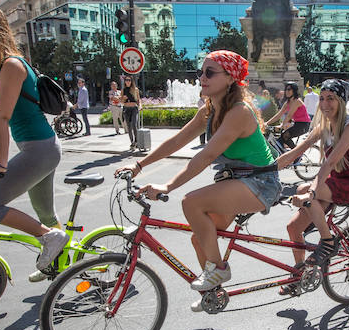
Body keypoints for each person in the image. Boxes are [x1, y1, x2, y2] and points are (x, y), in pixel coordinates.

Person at [116, 51, 280, 308]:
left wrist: (167, 185)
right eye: (200, 72)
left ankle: (218, 269)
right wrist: (139, 164)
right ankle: (213, 293)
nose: (202, 78)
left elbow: (206, 155)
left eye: (210, 73)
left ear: (230, 78)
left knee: (191, 203)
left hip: (260, 183)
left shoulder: (239, 112)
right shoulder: (210, 109)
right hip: (235, 180)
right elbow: (177, 140)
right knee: (200, 237)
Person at [0, 2, 66, 276]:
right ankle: (61, 265)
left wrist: (2, 163)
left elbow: (2, 119)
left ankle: (51, 239)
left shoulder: (11, 65)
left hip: (40, 150)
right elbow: (2, 113)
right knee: (45, 213)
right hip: (40, 148)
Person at [278, 79, 349, 288]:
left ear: (340, 101)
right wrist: (265, 171)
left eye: (331, 99)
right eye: (321, 98)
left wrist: (312, 193)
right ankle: (301, 275)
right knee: (293, 228)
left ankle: (328, 242)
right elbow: (296, 151)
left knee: (307, 192)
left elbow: (330, 162)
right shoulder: (323, 126)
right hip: (335, 181)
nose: (325, 103)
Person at [266, 81, 311, 150]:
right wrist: (266, 123)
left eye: (289, 89)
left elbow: (289, 116)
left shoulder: (297, 101)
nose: (287, 91)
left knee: (285, 136)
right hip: (296, 124)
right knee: (281, 139)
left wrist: (282, 126)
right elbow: (279, 115)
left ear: (294, 91)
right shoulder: (287, 103)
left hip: (304, 124)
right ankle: (286, 154)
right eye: (286, 89)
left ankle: (297, 155)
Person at [122, 75, 141, 151]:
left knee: (134, 124)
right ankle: (132, 142)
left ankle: (137, 141)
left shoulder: (135, 89)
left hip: (134, 108)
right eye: (126, 80)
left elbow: (138, 100)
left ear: (131, 81)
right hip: (126, 109)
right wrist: (123, 99)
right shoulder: (123, 90)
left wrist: (140, 106)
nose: (127, 81)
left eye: (129, 80)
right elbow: (121, 101)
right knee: (129, 127)